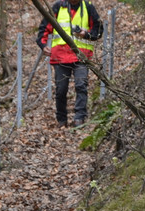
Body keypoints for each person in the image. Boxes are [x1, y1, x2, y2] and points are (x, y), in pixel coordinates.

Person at [37, 0, 103, 128]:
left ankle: (79, 118)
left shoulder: (88, 7)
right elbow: (43, 29)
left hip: (81, 56)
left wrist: (86, 34)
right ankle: (61, 120)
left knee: (81, 85)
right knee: (61, 90)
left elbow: (99, 30)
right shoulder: (57, 7)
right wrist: (43, 45)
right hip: (60, 57)